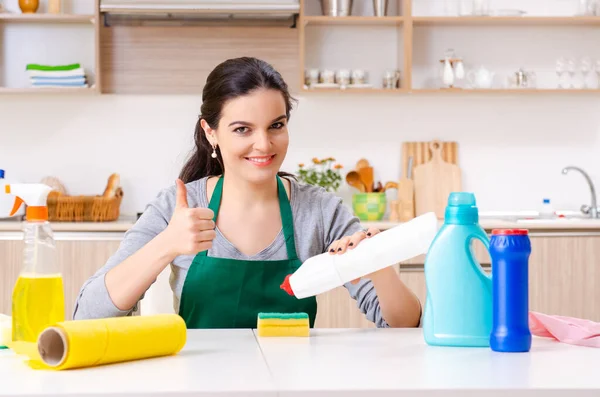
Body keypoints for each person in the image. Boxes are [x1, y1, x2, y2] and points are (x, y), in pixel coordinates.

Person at [73, 57, 422, 328]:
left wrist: (378, 261)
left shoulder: (319, 211)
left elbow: (403, 324)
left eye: (277, 126)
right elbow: (87, 316)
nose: (263, 144)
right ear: (211, 133)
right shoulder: (178, 207)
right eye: (242, 129)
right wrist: (166, 245)